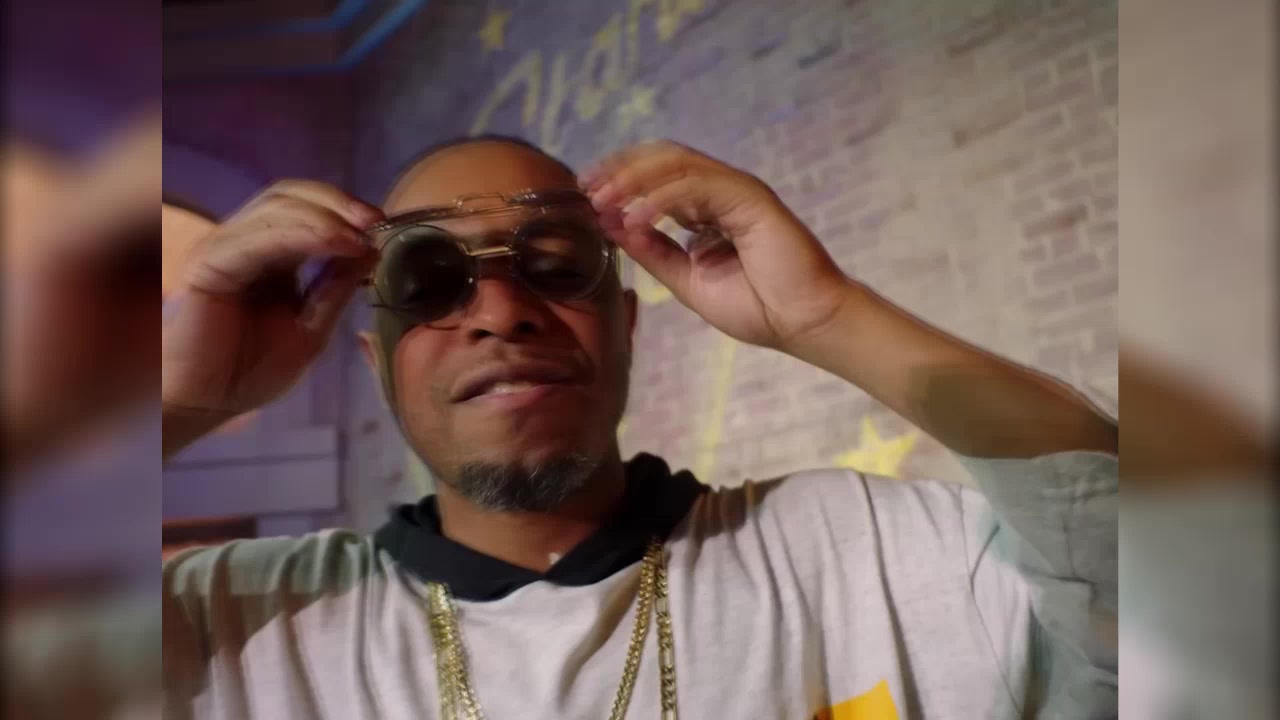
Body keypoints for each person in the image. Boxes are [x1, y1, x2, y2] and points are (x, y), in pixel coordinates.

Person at [162, 137, 1118, 719]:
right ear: (378, 363)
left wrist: (829, 316)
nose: (501, 312)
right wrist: (178, 400)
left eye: (554, 265)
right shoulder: (232, 626)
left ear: (625, 323)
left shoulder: (859, 557)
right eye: (430, 282)